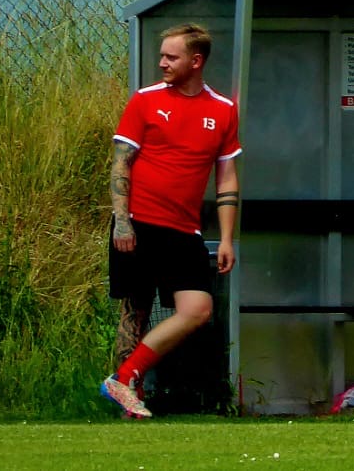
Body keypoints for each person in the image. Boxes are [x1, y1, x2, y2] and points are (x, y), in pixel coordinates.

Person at [101, 22, 242, 419]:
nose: (162, 62)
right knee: (136, 310)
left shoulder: (223, 110)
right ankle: (130, 398)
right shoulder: (145, 101)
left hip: (185, 230)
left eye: (171, 57)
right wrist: (122, 221)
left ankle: (122, 378)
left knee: (197, 308)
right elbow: (120, 164)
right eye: (162, 55)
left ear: (195, 61)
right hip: (140, 222)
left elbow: (227, 176)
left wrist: (227, 237)